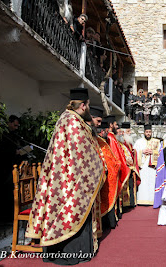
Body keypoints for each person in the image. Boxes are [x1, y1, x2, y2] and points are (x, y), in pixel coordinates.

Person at [26, 88, 105, 264]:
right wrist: (100, 165)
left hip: (64, 176)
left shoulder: (69, 118)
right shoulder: (73, 122)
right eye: (88, 105)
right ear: (83, 106)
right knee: (71, 212)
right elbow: (82, 155)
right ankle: (70, 253)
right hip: (69, 181)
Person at [134, 124, 161, 205]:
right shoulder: (139, 142)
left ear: (151, 132)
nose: (148, 133)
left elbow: (160, 152)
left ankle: (152, 200)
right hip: (143, 166)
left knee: (152, 182)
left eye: (149, 132)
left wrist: (153, 152)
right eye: (147, 132)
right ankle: (142, 200)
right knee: (143, 183)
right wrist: (142, 151)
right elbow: (134, 152)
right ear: (144, 132)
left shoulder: (156, 142)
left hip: (152, 167)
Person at [117, 122, 140, 209]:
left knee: (131, 185)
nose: (130, 133)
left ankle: (131, 203)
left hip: (131, 168)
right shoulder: (120, 142)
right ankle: (126, 205)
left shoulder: (128, 142)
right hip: (125, 167)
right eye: (128, 131)